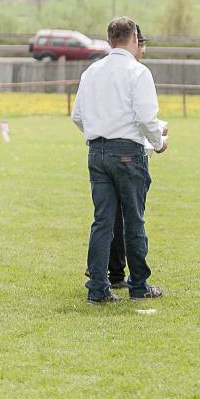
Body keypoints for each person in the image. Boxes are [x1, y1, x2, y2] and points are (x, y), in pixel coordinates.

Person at [72, 17, 167, 303]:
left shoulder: (91, 72)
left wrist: (98, 131)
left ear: (109, 40)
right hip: (128, 151)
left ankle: (98, 288)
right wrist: (159, 143)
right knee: (133, 220)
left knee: (102, 221)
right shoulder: (138, 72)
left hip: (96, 150)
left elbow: (77, 116)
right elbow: (146, 118)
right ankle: (139, 285)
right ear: (135, 39)